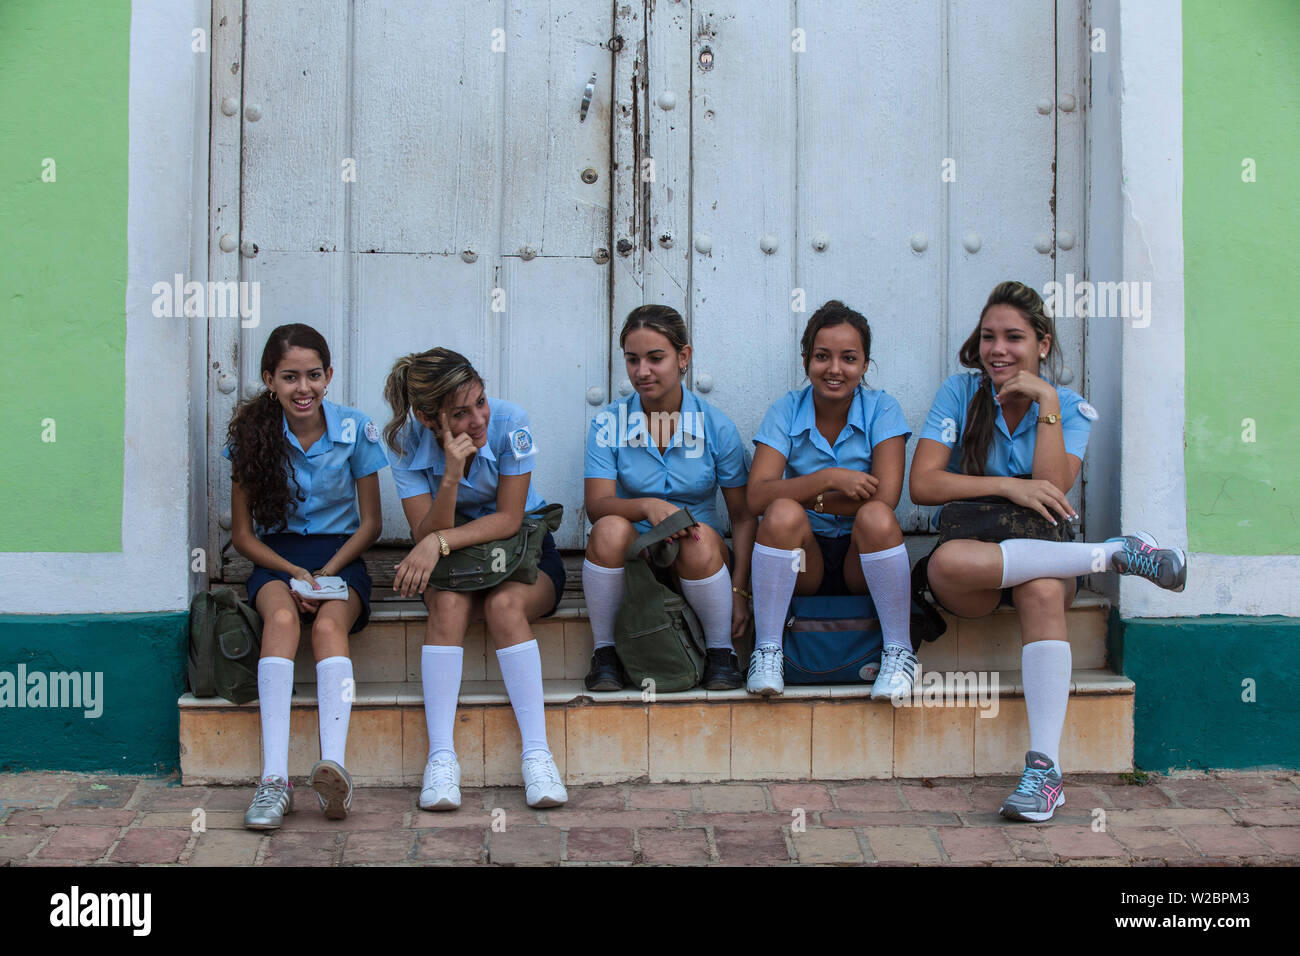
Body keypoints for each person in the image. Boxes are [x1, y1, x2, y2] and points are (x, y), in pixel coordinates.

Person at [909, 280, 1187, 822]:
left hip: (1043, 555)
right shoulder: (959, 394)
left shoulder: (1073, 408)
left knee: (1039, 586)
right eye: (988, 337)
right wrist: (1007, 487)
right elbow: (923, 485)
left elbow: (1052, 491)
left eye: (1013, 337)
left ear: (1042, 342)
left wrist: (1047, 402)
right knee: (944, 562)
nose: (998, 349)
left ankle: (1044, 773)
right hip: (976, 566)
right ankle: (1112, 555)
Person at [383, 348, 567, 811]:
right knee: (446, 606)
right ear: (429, 418)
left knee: (504, 606)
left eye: (480, 401)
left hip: (521, 551)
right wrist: (449, 476)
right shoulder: (407, 443)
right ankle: (441, 759)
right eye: (460, 413)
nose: (478, 419)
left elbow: (507, 519)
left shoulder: (511, 422)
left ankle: (537, 756)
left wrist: (438, 543)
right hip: (458, 565)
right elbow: (423, 528)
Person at [226, 323, 386, 829]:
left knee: (327, 627)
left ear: (329, 375)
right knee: (280, 618)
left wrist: (327, 573)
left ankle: (332, 768)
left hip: (340, 559)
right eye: (290, 377)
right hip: (278, 560)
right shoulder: (252, 438)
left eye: (314, 375)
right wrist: (294, 572)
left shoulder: (355, 429)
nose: (303, 388)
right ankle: (274, 780)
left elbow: (372, 523)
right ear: (269, 379)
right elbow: (245, 537)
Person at [745, 301, 914, 698]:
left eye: (848, 358)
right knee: (781, 513)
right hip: (804, 560)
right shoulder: (786, 410)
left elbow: (886, 497)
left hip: (863, 556)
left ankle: (898, 651)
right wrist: (828, 478)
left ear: (865, 365)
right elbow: (757, 496)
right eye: (822, 356)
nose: (834, 369)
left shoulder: (883, 408)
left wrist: (809, 496)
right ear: (806, 361)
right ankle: (768, 649)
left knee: (874, 515)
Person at [582, 305, 756, 691]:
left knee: (696, 538)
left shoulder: (716, 427)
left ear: (683, 358)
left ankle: (720, 655)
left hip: (700, 561)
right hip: (636, 559)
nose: (642, 372)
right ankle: (605, 655)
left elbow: (743, 517)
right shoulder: (608, 424)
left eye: (655, 358)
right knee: (609, 529)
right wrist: (647, 506)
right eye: (632, 360)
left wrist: (740, 590)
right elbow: (597, 506)